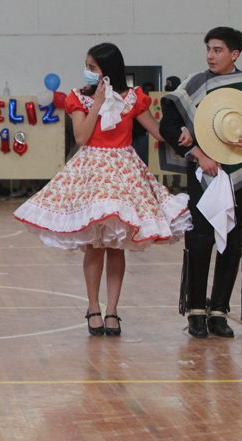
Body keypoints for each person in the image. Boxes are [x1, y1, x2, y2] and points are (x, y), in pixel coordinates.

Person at [14, 43, 191, 336]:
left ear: (108, 70)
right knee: (95, 246)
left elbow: (158, 132)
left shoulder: (132, 98)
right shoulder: (79, 98)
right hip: (92, 172)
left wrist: (182, 131)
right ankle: (93, 306)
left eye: (93, 67)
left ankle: (113, 310)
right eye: (87, 66)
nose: (88, 71)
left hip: (124, 172)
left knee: (116, 247)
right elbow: (81, 137)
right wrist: (97, 102)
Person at [160, 27, 242, 339]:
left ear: (235, 54)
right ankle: (195, 311)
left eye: (218, 50)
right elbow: (169, 123)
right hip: (204, 172)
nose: (210, 55)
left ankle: (219, 311)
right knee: (200, 237)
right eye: (208, 49)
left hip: (240, 171)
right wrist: (196, 152)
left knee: (232, 237)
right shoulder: (195, 83)